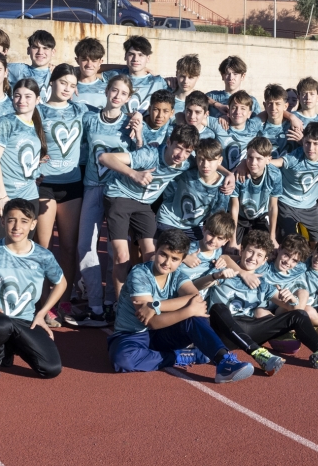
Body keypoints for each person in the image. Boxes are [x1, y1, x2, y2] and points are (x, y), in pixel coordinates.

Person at [107, 228, 255, 382]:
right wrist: (188, 310)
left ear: (182, 259)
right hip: (131, 335)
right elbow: (151, 321)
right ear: (156, 251)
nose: (166, 262)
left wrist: (156, 305)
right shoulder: (139, 274)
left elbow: (195, 297)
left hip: (164, 332)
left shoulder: (178, 276)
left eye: (174, 259)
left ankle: (225, 361)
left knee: (196, 315)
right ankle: (181, 355)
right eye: (163, 255)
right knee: (122, 359)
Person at [206, 229, 318, 374]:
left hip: (250, 328)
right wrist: (236, 273)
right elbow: (222, 260)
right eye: (250, 252)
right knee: (219, 308)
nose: (253, 258)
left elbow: (290, 306)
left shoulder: (265, 284)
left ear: (265, 259)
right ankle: (258, 353)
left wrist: (292, 300)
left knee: (299, 313)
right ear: (242, 250)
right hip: (223, 331)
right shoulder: (222, 272)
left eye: (259, 255)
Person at [100, 123, 202, 292]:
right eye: (179, 148)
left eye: (187, 151)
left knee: (153, 256)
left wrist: (228, 174)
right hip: (120, 196)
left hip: (143, 205)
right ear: (169, 142)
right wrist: (134, 174)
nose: (181, 155)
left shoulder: (186, 162)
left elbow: (209, 160)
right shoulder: (150, 155)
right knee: (122, 256)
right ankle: (121, 309)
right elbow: (104, 158)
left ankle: (148, 297)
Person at [0, 199, 66, 381]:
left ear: (33, 224)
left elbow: (61, 283)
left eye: (24, 221)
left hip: (25, 320)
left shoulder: (43, 256)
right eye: (11, 220)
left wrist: (42, 313)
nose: (17, 226)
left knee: (51, 369)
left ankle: (10, 346)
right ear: (2, 221)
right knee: (1, 325)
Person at [72, 74, 135, 326]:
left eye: (123, 93)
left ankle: (111, 301)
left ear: (129, 98)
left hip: (120, 191)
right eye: (114, 90)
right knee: (85, 246)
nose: (117, 96)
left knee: (114, 249)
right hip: (92, 188)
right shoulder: (89, 119)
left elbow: (140, 151)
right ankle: (95, 304)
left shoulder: (130, 124)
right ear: (106, 91)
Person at [36, 65, 89, 286]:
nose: (67, 88)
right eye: (63, 82)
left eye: (72, 85)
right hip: (44, 184)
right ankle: (42, 302)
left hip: (72, 186)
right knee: (43, 247)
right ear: (52, 82)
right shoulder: (38, 110)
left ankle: (65, 301)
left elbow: (108, 118)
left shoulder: (82, 110)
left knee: (69, 247)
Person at [0, 78, 49, 241]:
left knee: (23, 250)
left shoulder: (36, 125)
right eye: (17, 95)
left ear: (37, 99)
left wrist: (35, 171)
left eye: (28, 96)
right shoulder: (6, 122)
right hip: (4, 198)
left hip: (29, 197)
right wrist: (2, 197)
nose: (22, 100)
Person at [154, 137, 233, 240]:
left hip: (195, 228)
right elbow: (167, 165)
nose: (205, 165)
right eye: (201, 159)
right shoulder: (187, 171)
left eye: (210, 160)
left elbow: (216, 217)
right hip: (169, 220)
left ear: (220, 161)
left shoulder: (225, 185)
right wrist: (158, 148)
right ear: (196, 159)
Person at [231, 136, 282, 241]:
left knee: (265, 247)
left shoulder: (274, 175)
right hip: (241, 215)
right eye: (250, 157)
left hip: (262, 215)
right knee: (233, 249)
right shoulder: (238, 175)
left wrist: (272, 237)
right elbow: (234, 207)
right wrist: (232, 240)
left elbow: (273, 206)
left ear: (268, 160)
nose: (253, 163)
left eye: (259, 158)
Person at [113, 35, 168, 111]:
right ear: (125, 56)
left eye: (140, 55)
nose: (135, 59)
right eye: (131, 54)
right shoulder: (116, 76)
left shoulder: (158, 82)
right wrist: (126, 66)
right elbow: (95, 68)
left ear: (148, 58)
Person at [73, 37, 110, 110]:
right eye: (84, 60)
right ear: (77, 61)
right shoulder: (68, 88)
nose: (89, 65)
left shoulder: (109, 89)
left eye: (94, 60)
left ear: (100, 62)